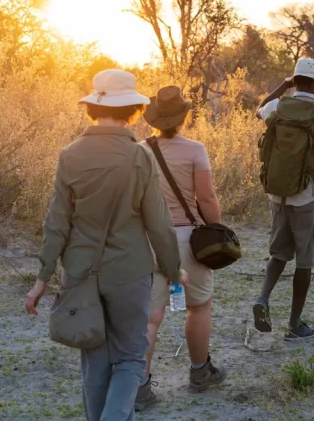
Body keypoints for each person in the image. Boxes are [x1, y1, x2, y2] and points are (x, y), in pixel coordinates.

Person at [24, 69, 187, 421]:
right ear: (132, 109)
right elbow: (158, 222)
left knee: (94, 356)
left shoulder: (70, 154)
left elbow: (56, 222)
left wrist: (42, 278)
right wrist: (174, 269)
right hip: (130, 271)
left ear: (94, 107)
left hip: (80, 273)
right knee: (130, 356)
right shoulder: (139, 156)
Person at [135, 86, 227, 411]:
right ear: (183, 117)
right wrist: (217, 230)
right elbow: (206, 199)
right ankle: (201, 373)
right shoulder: (195, 150)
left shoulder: (139, 150)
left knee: (149, 317)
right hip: (189, 239)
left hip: (148, 240)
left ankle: (139, 389)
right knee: (199, 306)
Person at [252, 57, 314, 340]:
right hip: (307, 196)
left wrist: (281, 87)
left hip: (278, 193)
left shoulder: (278, 106)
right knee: (304, 261)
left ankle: (263, 298)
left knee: (278, 253)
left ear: (294, 81)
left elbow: (259, 109)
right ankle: (295, 325)